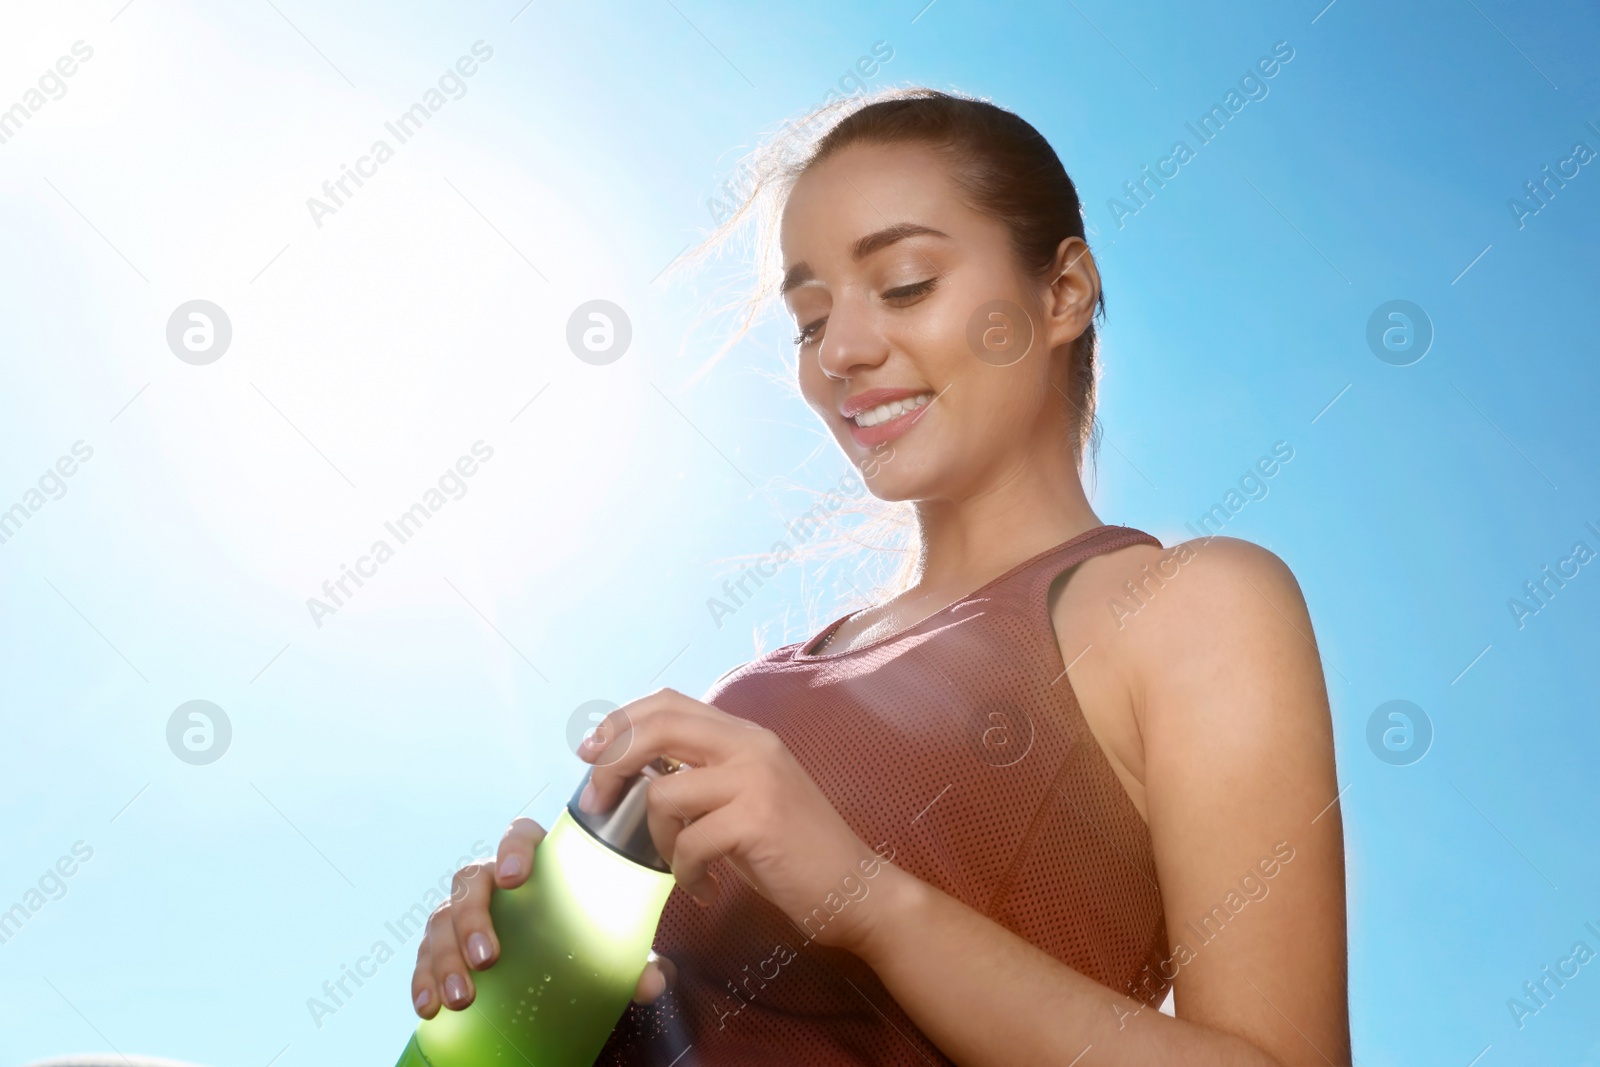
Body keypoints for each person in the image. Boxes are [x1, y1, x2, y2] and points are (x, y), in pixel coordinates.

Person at [408, 87, 1350, 1066]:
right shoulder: (764, 681)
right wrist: (521, 959)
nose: (842, 353)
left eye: (902, 284)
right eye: (810, 320)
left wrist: (865, 899)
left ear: (1064, 291)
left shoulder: (1186, 605)